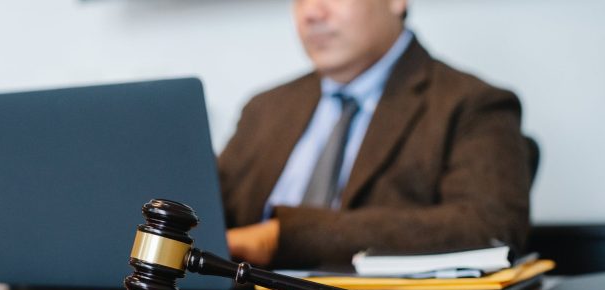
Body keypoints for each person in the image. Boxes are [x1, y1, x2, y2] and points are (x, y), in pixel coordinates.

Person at [218, 0, 531, 268]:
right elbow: (206, 211)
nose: (311, 13)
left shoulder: (471, 104)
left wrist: (282, 237)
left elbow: (488, 227)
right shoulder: (264, 109)